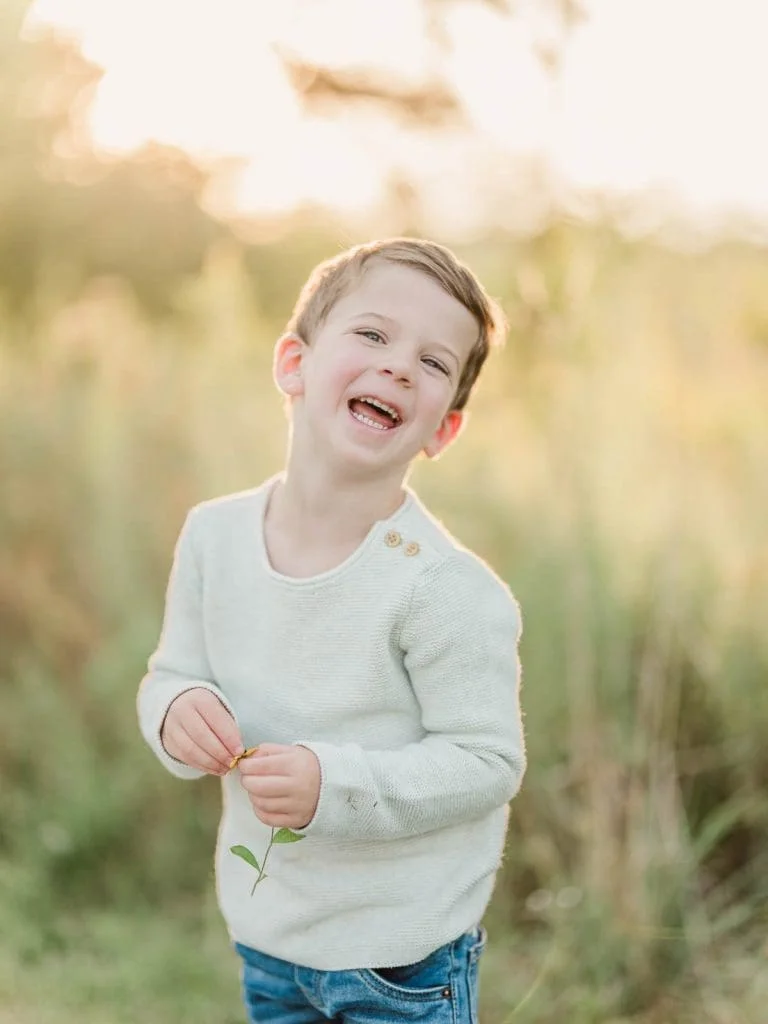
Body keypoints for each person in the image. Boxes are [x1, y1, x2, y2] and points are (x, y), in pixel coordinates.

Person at [137, 237, 526, 1024]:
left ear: (442, 431)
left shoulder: (440, 588)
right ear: (294, 364)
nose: (397, 367)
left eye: (433, 362)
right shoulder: (214, 538)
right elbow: (170, 674)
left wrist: (333, 785)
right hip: (272, 933)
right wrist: (176, 715)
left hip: (402, 956)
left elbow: (487, 761)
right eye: (373, 335)